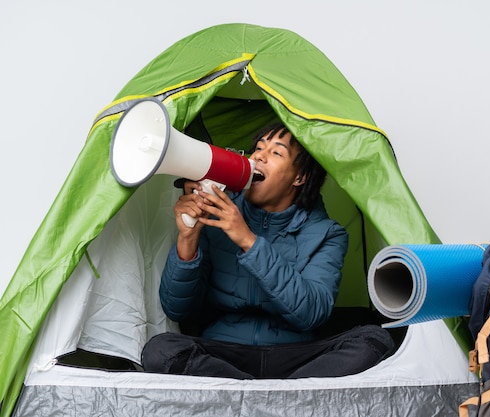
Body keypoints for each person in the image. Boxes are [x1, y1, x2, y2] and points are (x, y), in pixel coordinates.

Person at [141, 123, 394, 379]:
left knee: (375, 340)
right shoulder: (216, 216)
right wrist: (188, 237)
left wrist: (249, 241)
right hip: (224, 354)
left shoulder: (328, 233)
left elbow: (311, 314)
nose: (259, 156)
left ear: (300, 177)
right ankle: (278, 400)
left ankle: (249, 397)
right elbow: (177, 309)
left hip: (296, 355)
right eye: (258, 148)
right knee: (160, 350)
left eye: (276, 153)